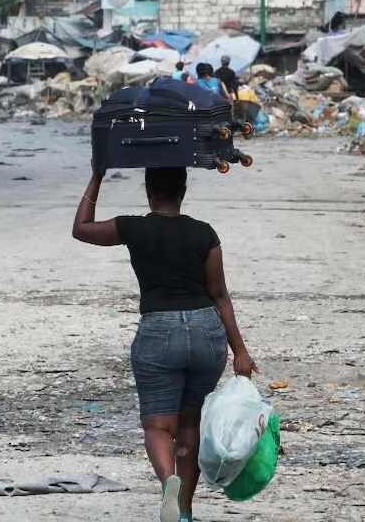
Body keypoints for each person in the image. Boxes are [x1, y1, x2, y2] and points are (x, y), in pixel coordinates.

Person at [72, 167, 257, 522]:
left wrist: (96, 176)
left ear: (148, 191)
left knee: (159, 426)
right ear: (183, 190)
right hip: (206, 332)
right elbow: (219, 294)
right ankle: (184, 512)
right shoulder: (204, 233)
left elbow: (81, 229)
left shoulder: (133, 227)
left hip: (159, 331)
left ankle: (168, 481)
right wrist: (241, 352)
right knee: (191, 424)